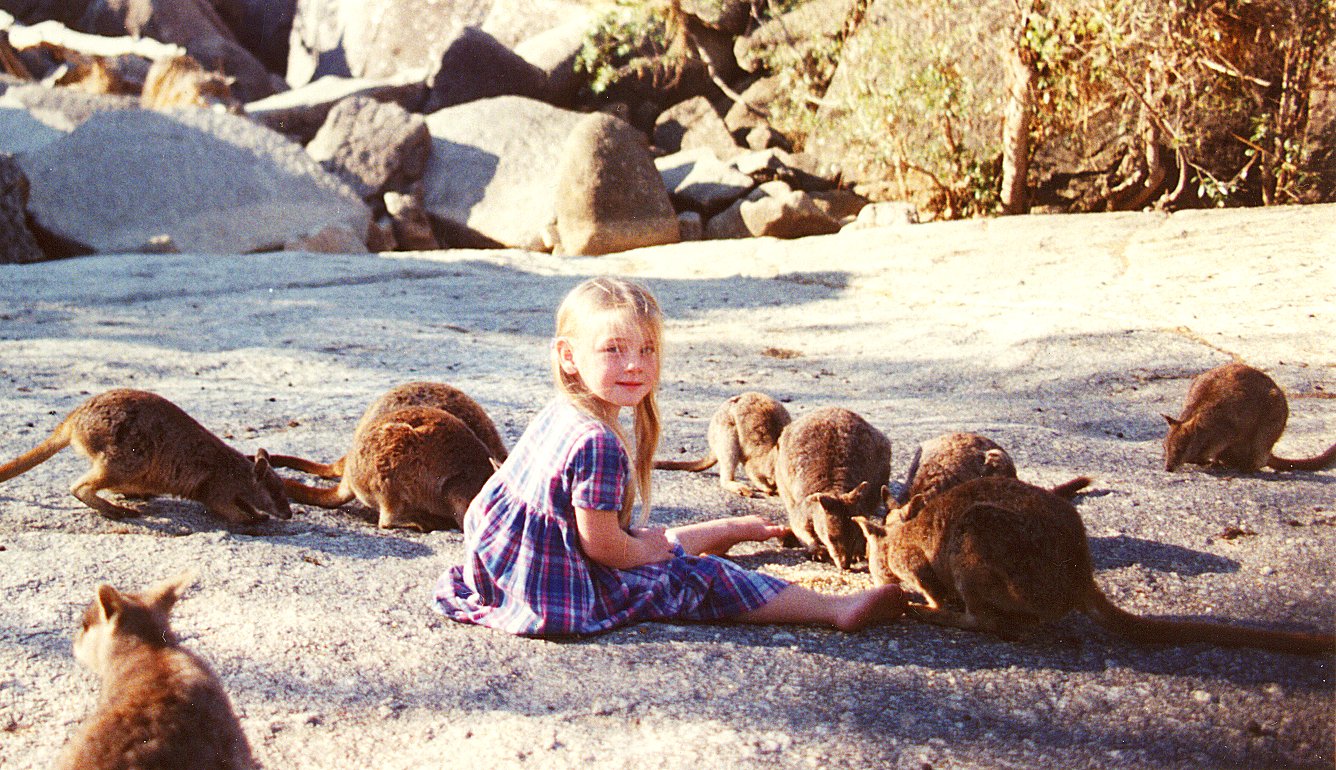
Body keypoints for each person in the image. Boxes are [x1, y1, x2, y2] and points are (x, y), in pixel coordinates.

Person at [433, 276, 905, 637]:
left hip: (502, 569)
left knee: (654, 544)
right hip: (554, 589)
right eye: (613, 350)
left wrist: (642, 545)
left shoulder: (562, 410)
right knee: (703, 577)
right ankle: (834, 610)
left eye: (647, 349)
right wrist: (644, 551)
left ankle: (722, 529)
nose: (635, 363)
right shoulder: (597, 442)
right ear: (568, 356)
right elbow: (604, 548)